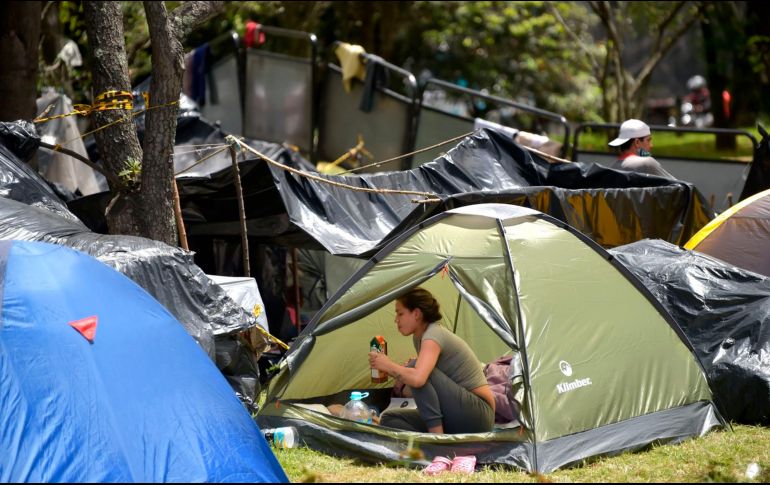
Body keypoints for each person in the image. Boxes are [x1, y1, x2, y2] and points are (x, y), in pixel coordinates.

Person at [368, 287, 495, 434]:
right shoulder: (418, 338)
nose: (396, 319)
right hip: (454, 413)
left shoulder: (433, 335)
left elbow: (419, 379)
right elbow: (423, 389)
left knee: (416, 369)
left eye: (400, 313)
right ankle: (439, 438)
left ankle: (437, 439)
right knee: (389, 419)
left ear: (416, 314)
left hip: (478, 414)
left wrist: (389, 365)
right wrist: (397, 373)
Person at [608, 119, 676, 179]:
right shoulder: (646, 163)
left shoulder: (613, 168)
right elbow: (679, 187)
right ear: (637, 142)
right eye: (648, 140)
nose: (651, 145)